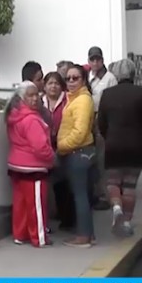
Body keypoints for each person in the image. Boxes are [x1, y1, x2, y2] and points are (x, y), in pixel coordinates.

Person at [98, 59, 142, 237]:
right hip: (137, 145)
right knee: (130, 185)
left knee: (113, 181)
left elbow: (101, 122)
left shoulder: (107, 94)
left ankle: (117, 208)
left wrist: (108, 136)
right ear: (133, 73)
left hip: (114, 143)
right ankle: (126, 222)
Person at [5, 81, 55, 247]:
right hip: (33, 167)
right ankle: (39, 238)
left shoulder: (13, 116)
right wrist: (52, 157)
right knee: (36, 205)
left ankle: (20, 235)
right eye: (31, 95)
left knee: (20, 204)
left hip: (16, 165)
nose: (35, 98)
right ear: (22, 98)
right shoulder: (32, 119)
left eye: (36, 94)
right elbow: (40, 147)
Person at [57, 64, 97, 247]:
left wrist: (62, 146)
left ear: (84, 80)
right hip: (81, 152)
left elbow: (79, 132)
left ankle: (83, 236)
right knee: (83, 195)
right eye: (68, 78)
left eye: (75, 78)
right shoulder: (76, 99)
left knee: (80, 196)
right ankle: (88, 234)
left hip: (78, 153)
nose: (71, 81)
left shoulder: (81, 101)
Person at [88, 46, 118, 211]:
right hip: (88, 120)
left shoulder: (109, 78)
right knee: (91, 160)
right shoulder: (88, 77)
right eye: (92, 59)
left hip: (102, 119)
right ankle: (95, 193)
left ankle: (104, 196)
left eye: (97, 59)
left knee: (102, 160)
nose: (95, 62)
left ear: (102, 60)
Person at [42, 71, 73, 230]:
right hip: (45, 147)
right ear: (45, 86)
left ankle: (66, 217)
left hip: (64, 146)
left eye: (56, 83)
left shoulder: (68, 101)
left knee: (63, 183)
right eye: (50, 83)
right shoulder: (39, 102)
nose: (53, 86)